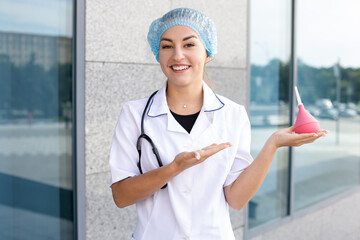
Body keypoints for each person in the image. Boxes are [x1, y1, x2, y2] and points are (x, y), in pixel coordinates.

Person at [109, 8, 327, 240]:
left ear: (208, 52)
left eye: (189, 44)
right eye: (167, 46)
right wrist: (175, 168)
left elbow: (236, 199)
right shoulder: (134, 114)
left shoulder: (233, 114)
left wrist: (272, 145)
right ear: (158, 52)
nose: (177, 55)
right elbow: (121, 196)